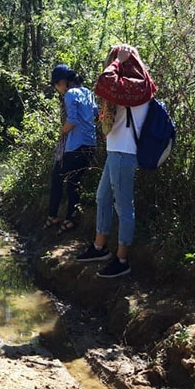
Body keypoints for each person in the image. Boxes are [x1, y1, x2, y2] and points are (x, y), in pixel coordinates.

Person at [76, 44, 156, 278]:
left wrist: (117, 61)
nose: (110, 62)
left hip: (125, 152)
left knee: (124, 207)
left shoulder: (138, 88)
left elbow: (104, 82)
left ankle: (122, 260)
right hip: (116, 151)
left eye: (114, 59)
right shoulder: (126, 87)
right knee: (102, 197)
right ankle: (99, 248)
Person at [45, 64, 98, 233]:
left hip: (75, 146)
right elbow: (96, 114)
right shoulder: (88, 93)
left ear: (62, 82)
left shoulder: (70, 94)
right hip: (90, 145)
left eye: (55, 84)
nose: (56, 88)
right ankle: (69, 219)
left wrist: (62, 132)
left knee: (56, 177)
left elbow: (72, 120)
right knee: (74, 182)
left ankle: (53, 216)